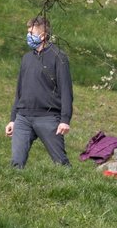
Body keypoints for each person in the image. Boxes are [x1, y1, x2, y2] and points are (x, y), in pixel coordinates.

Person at [5, 16, 73, 168]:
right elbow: (19, 90)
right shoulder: (26, 58)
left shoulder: (59, 57)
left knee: (61, 163)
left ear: (42, 36)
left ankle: (72, 188)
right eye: (28, 32)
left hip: (48, 118)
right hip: (23, 118)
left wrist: (65, 120)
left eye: (31, 32)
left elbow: (66, 90)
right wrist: (13, 119)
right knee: (16, 163)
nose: (28, 36)